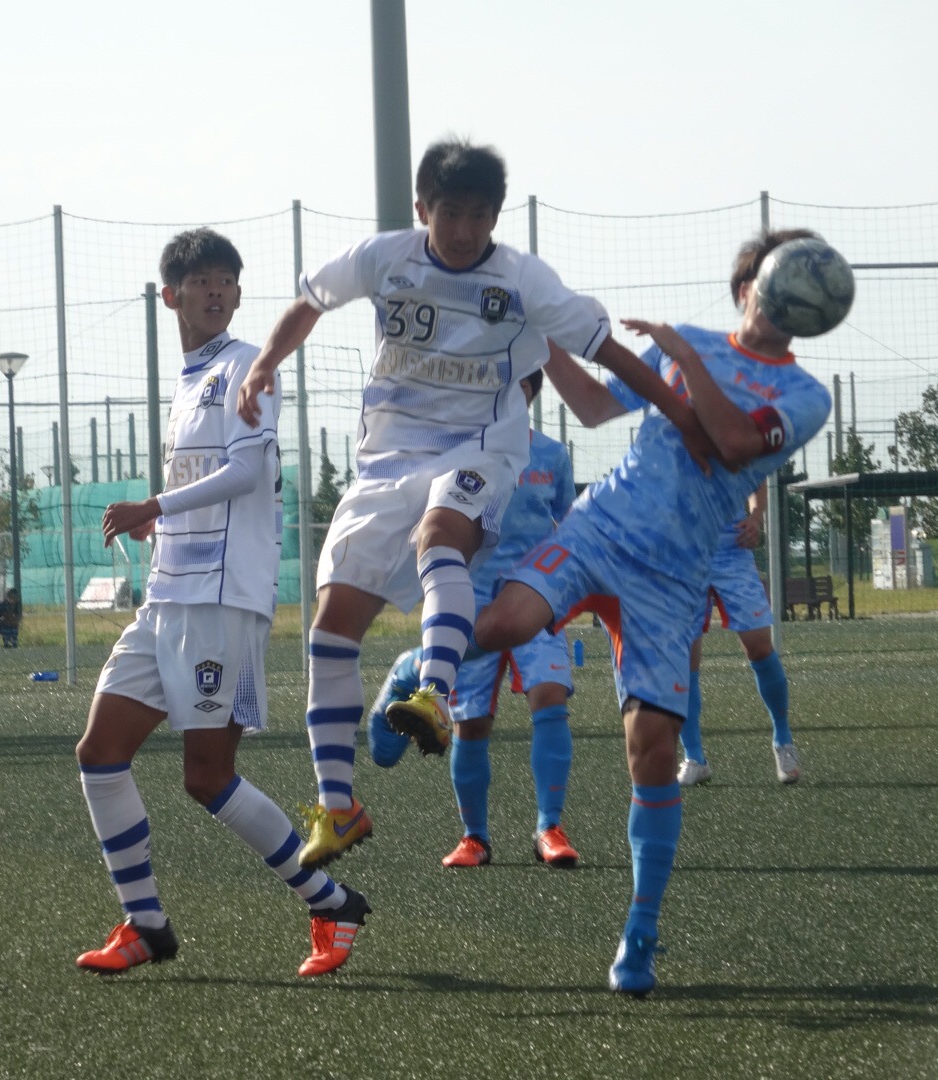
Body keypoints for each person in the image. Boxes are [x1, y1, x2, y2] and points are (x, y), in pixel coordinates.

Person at [236, 138, 708, 869]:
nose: (463, 230)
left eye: (478, 215)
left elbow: (606, 358)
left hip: (482, 448)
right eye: (449, 213)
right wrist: (265, 363)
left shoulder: (522, 279)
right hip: (389, 457)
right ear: (422, 209)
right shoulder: (384, 257)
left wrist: (686, 418)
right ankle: (338, 807)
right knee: (331, 625)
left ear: (495, 217)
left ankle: (433, 693)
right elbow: (309, 303)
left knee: (440, 536)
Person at [474, 228, 834, 996]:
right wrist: (543, 330)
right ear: (747, 289)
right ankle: (413, 673)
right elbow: (594, 406)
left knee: (652, 750)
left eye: (797, 298)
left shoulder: (806, 397)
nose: (778, 306)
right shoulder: (687, 342)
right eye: (772, 287)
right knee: (502, 623)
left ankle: (640, 931)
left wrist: (684, 357)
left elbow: (733, 444)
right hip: (602, 527)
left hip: (675, 576)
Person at [74, 229, 369, 980]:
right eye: (201, 280)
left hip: (220, 599)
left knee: (207, 776)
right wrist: (162, 527)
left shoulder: (248, 366)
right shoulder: (188, 382)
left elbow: (245, 473)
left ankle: (331, 901)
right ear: (170, 295)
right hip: (166, 598)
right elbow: (208, 483)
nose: (215, 290)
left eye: (226, 280)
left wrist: (154, 505)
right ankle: (145, 923)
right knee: (99, 753)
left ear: (238, 294)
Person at [368, 371, 581, 869]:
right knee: (471, 723)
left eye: (519, 385)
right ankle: (475, 838)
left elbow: (570, 524)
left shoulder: (551, 455)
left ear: (530, 393)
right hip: (472, 599)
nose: (509, 393)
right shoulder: (455, 448)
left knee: (550, 696)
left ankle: (550, 828)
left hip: (534, 596)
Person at [677, 483, 801, 787]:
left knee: (759, 647)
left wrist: (756, 517)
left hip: (732, 550)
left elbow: (755, 477)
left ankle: (783, 740)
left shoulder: (732, 447)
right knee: (683, 658)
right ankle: (694, 757)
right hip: (683, 555)